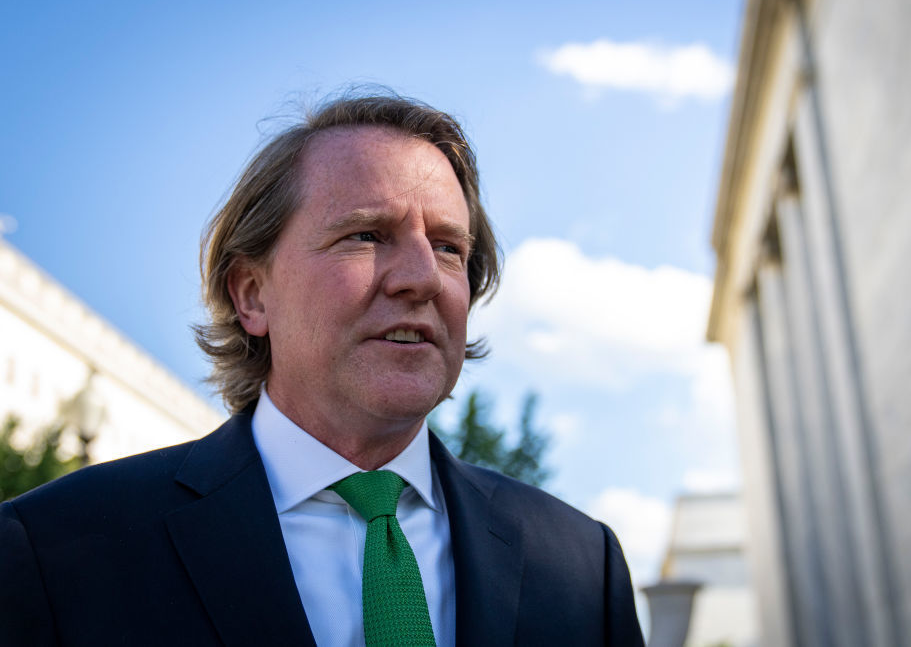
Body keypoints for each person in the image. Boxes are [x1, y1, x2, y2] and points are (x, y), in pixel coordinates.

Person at [0, 93, 644, 646]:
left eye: (448, 248)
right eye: (365, 236)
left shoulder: (584, 565)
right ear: (252, 294)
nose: (422, 277)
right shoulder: (56, 550)